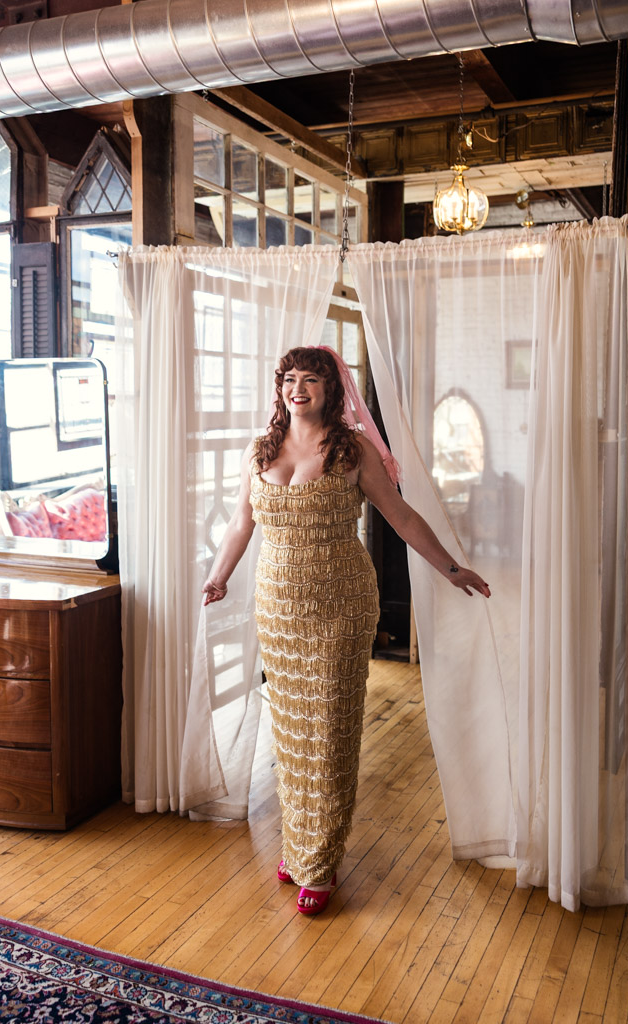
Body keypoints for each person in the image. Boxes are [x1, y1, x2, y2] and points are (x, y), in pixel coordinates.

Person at [202, 346, 490, 915]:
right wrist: (219, 576)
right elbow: (242, 522)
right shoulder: (259, 449)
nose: (298, 389)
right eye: (289, 379)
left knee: (330, 731)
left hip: (341, 603)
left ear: (333, 390)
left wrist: (451, 568)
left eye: (310, 380)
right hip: (278, 607)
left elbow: (401, 517)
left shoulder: (353, 449)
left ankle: (321, 862)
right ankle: (299, 843)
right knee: (292, 732)